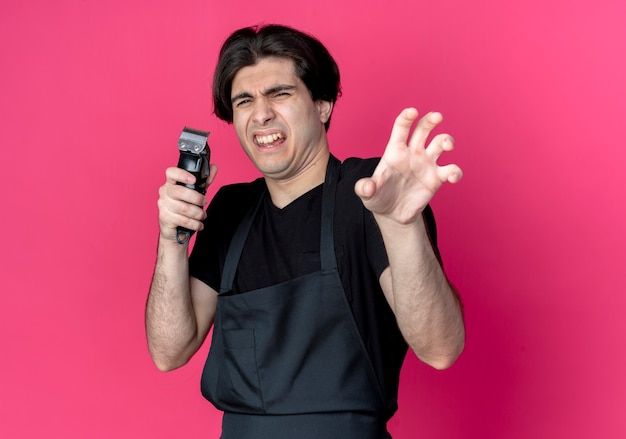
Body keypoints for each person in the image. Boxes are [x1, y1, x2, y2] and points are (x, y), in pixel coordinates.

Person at [146, 24, 465, 439]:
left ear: (322, 105)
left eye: (280, 93)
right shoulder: (229, 209)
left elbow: (440, 349)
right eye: (244, 100)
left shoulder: (371, 192)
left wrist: (402, 227)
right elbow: (168, 352)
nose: (260, 113)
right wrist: (173, 237)